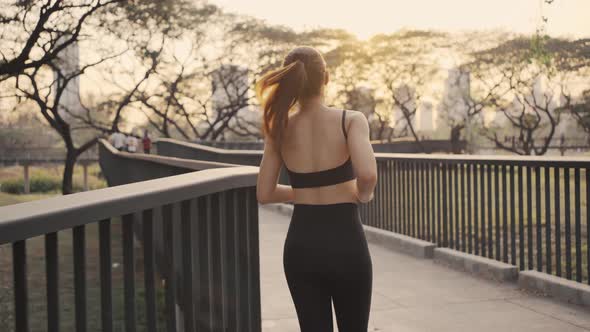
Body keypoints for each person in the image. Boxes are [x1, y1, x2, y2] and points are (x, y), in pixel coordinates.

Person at [255, 46, 377, 331]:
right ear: (327, 78)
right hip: (346, 243)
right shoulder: (351, 120)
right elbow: (368, 175)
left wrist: (309, 193)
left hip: (301, 247)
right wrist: (361, 193)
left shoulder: (279, 127)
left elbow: (265, 193)